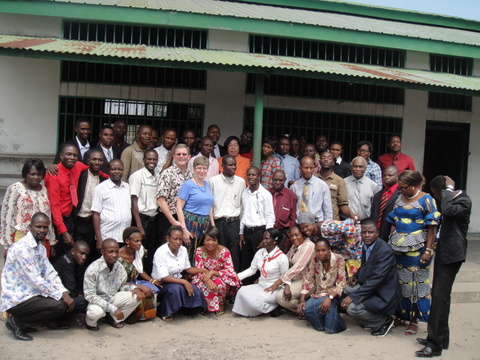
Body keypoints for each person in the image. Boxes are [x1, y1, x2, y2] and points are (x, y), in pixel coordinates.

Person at [415, 175, 472, 358]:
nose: (436, 198)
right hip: (444, 252)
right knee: (441, 297)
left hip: (453, 255)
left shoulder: (463, 200)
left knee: (439, 298)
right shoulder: (452, 200)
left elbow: (447, 211)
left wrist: (447, 189)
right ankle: (441, 338)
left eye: (435, 194)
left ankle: (435, 345)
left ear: (441, 191)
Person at [1, 213, 74, 341]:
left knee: (62, 301)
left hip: (31, 293)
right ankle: (17, 323)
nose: (42, 231)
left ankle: (25, 323)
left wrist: (63, 292)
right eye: (38, 227)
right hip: (17, 298)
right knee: (59, 306)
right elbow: (36, 280)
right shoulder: (22, 249)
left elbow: (50, 273)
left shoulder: (39, 247)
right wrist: (60, 295)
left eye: (45, 227)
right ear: (30, 227)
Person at [386, 170, 440, 336]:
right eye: (399, 188)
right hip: (399, 249)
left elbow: (432, 227)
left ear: (414, 185)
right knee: (401, 285)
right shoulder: (399, 199)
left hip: (419, 250)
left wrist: (428, 251)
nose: (400, 191)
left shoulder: (427, 200)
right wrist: (392, 237)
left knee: (416, 285)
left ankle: (414, 320)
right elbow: (393, 220)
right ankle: (401, 316)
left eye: (403, 188)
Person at [340, 219, 401, 337]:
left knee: (352, 308)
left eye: (370, 232)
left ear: (377, 233)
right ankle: (369, 318)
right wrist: (356, 276)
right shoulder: (366, 245)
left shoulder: (385, 251)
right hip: (371, 286)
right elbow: (366, 264)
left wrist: (353, 297)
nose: (367, 235)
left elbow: (376, 280)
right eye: (364, 232)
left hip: (383, 293)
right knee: (345, 287)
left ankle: (383, 321)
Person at [45, 144, 93, 258]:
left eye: (75, 155)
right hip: (56, 221)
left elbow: (94, 168)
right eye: (69, 154)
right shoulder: (53, 174)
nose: (72, 157)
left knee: (69, 253)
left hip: (70, 217)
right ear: (61, 156)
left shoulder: (77, 166)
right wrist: (63, 231)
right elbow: (54, 206)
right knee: (56, 255)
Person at [1, 159, 55, 259]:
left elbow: (48, 217)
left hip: (41, 239)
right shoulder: (15, 188)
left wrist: (51, 241)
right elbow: (6, 217)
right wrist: (7, 245)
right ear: (25, 174)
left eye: (39, 174)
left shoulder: (44, 189)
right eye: (32, 174)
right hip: (21, 237)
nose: (36, 177)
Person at [84, 238, 142, 330]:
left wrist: (133, 288)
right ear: (102, 251)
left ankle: (112, 318)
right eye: (110, 252)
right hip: (97, 301)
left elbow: (121, 285)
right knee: (96, 312)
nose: (114, 255)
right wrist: (112, 308)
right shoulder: (93, 269)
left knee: (136, 296)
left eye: (116, 252)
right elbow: (90, 295)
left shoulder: (119, 266)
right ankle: (90, 323)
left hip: (112, 298)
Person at [151, 226, 207, 321]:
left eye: (180, 239)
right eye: (175, 239)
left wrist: (203, 270)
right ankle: (164, 311)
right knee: (177, 289)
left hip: (178, 281)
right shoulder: (161, 252)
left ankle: (183, 309)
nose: (178, 242)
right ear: (168, 238)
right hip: (161, 284)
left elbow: (188, 268)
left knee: (196, 291)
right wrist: (184, 282)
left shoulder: (183, 250)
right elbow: (164, 277)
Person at [232, 228, 289, 317]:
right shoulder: (260, 253)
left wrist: (282, 286)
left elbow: (285, 276)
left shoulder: (282, 257)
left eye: (267, 239)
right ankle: (253, 310)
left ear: (274, 241)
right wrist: (237, 276)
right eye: (263, 238)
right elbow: (252, 270)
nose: (263, 241)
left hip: (273, 288)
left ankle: (274, 307)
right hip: (260, 285)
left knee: (257, 300)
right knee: (242, 291)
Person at [297, 239, 347, 333]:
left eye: (323, 250)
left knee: (331, 328)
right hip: (319, 294)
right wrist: (302, 299)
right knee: (306, 308)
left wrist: (330, 297)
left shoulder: (338, 259)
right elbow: (308, 279)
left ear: (329, 250)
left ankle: (334, 325)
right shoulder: (315, 259)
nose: (320, 253)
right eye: (317, 250)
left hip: (334, 294)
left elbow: (341, 283)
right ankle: (322, 325)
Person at [192, 226, 240, 316]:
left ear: (217, 241)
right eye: (208, 240)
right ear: (203, 241)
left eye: (214, 240)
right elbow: (199, 269)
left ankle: (220, 305)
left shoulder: (225, 251)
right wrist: (208, 279)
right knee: (202, 285)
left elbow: (230, 270)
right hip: (204, 277)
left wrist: (213, 273)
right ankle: (206, 306)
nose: (211, 243)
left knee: (220, 285)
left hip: (220, 276)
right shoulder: (199, 251)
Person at [209, 155, 245, 272]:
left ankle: (234, 280)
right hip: (219, 222)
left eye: (234, 164)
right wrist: (213, 225)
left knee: (234, 252)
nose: (233, 167)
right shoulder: (213, 181)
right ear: (222, 166)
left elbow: (242, 205)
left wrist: (241, 229)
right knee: (219, 252)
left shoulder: (241, 182)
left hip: (234, 222)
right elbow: (209, 205)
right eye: (230, 165)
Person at [176, 156, 215, 264]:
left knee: (201, 254)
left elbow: (209, 206)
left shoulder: (207, 185)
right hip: (190, 223)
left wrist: (213, 225)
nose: (202, 171)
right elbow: (179, 207)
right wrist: (184, 230)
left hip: (204, 224)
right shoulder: (188, 185)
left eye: (204, 168)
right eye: (199, 168)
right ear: (194, 169)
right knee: (189, 253)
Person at [118, 227, 161, 322]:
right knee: (140, 292)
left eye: (140, 240)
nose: (140, 243)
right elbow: (118, 283)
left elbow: (140, 270)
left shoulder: (140, 251)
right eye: (136, 241)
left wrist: (152, 280)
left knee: (152, 289)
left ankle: (142, 316)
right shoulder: (117, 257)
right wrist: (140, 286)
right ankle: (129, 315)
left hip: (133, 281)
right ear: (127, 241)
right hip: (120, 285)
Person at [239, 167, 275, 278]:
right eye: (248, 175)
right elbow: (243, 214)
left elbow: (270, 216)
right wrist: (241, 233)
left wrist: (267, 236)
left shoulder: (265, 194)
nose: (250, 177)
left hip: (260, 232)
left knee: (259, 260)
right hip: (247, 231)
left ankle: (257, 284)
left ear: (259, 176)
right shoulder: (245, 193)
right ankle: (244, 287)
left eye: (253, 175)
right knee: (246, 260)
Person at [74, 150, 108, 263]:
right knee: (77, 252)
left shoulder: (104, 180)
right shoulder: (80, 174)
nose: (97, 162)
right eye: (94, 159)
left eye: (100, 160)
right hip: (77, 220)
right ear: (88, 161)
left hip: (92, 222)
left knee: (90, 253)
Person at [129, 150, 160, 274]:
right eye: (149, 159)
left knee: (150, 251)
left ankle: (148, 276)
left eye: (154, 159)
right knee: (138, 250)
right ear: (144, 160)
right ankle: (138, 277)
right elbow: (134, 202)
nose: (152, 162)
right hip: (141, 219)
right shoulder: (137, 176)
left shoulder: (157, 176)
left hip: (154, 218)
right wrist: (139, 226)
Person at [273, 225, 315, 315]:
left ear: (304, 235)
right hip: (295, 279)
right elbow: (286, 261)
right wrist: (286, 283)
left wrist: (279, 282)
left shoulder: (308, 246)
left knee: (281, 297)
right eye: (291, 236)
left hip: (307, 281)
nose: (294, 238)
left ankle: (307, 311)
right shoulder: (295, 246)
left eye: (297, 235)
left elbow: (297, 267)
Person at [156, 143, 193, 246]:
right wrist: (172, 221)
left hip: (187, 219)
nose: (181, 157)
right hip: (170, 218)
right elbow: (160, 200)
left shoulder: (192, 175)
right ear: (174, 156)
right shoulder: (167, 173)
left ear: (189, 156)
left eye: (184, 154)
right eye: (179, 154)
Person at [91, 160, 131, 251]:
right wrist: (99, 239)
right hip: (107, 236)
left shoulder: (128, 187)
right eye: (114, 169)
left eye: (120, 169)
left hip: (124, 237)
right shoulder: (100, 189)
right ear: (108, 171)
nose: (117, 172)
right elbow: (95, 215)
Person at [53, 241, 91, 317]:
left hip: (59, 295)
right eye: (81, 253)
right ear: (73, 251)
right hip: (56, 298)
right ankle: (57, 319)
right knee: (84, 301)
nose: (84, 257)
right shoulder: (67, 264)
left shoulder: (72, 260)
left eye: (86, 255)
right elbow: (71, 289)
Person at [290, 156, 332, 221]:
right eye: (306, 168)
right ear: (300, 168)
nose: (309, 171)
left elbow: (327, 208)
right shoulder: (294, 186)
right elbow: (292, 208)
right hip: (299, 223)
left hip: (317, 223)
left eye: (311, 168)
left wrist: (327, 225)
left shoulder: (322, 185)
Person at [318, 151, 356, 221]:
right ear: (319, 161)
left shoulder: (339, 181)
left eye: (329, 158)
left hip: (332, 222)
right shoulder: (313, 179)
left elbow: (342, 204)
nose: (326, 159)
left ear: (333, 162)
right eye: (323, 157)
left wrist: (351, 214)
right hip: (314, 222)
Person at [267, 170, 297, 251]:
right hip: (268, 233)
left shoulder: (291, 195)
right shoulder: (266, 193)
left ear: (285, 180)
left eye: (281, 180)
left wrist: (288, 236)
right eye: (275, 180)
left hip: (283, 234)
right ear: (271, 179)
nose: (277, 182)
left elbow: (293, 218)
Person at [370, 166, 400, 241]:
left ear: (397, 176)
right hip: (377, 233)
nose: (386, 177)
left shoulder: (401, 194)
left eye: (390, 175)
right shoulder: (378, 194)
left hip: (392, 232)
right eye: (385, 175)